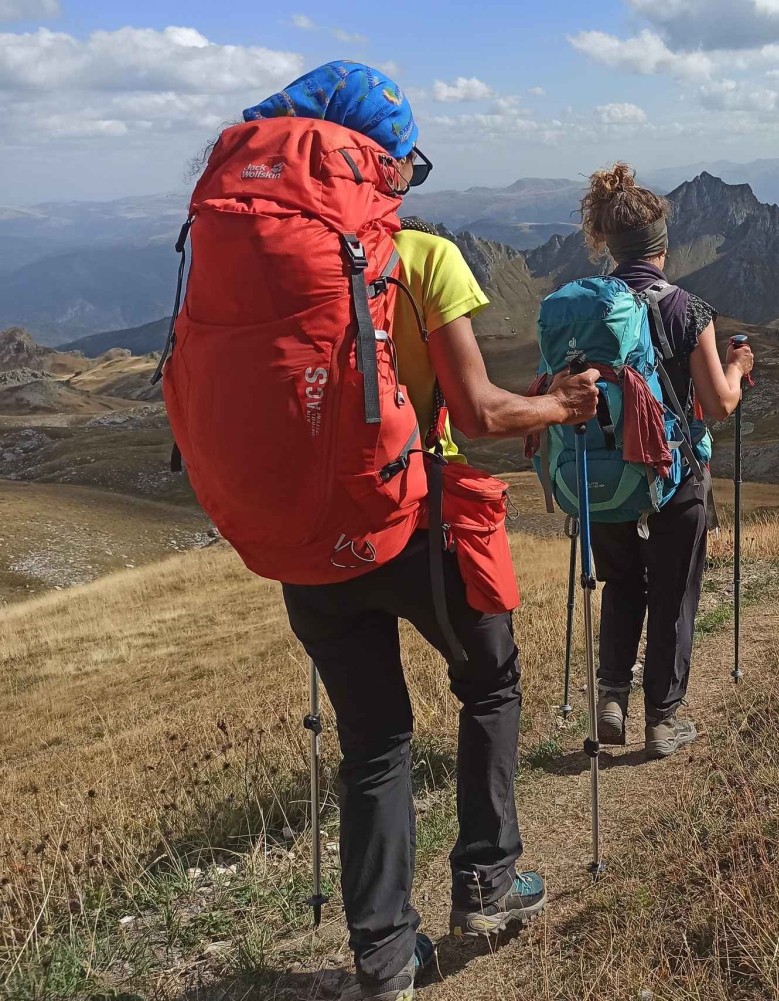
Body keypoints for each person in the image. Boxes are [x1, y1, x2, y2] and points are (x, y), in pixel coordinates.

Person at [240, 63, 602, 1001]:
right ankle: (486, 879)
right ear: (382, 166)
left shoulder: (259, 266)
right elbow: (478, 413)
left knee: (374, 736)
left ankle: (384, 956)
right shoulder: (427, 259)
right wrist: (559, 406)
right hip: (418, 523)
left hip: (308, 544)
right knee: (490, 678)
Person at [579, 163, 754, 759]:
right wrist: (739, 368)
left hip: (604, 478)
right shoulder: (688, 309)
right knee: (673, 591)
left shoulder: (589, 309)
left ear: (608, 243)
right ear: (663, 246)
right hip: (675, 474)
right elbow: (719, 404)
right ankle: (662, 719)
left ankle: (610, 699)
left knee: (622, 582)